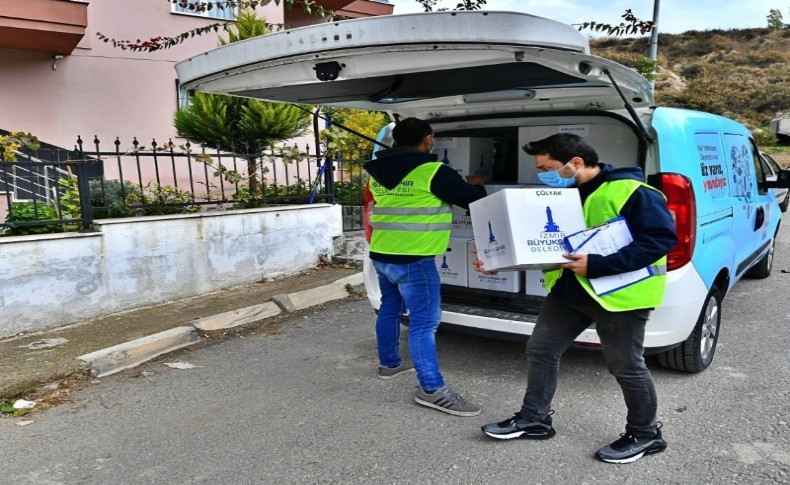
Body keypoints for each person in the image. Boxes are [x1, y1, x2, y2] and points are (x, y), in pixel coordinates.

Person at [473, 133, 677, 463]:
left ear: (576, 163)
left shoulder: (634, 192)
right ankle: (535, 419)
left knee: (625, 365)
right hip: (569, 291)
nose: (542, 174)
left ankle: (646, 434)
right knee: (541, 350)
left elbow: (660, 239)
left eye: (546, 167)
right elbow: (540, 244)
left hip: (620, 296)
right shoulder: (558, 196)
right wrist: (497, 261)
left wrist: (598, 264)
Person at [364, 117, 487, 417]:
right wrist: (477, 185)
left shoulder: (375, 172)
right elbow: (471, 200)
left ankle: (389, 364)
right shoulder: (433, 171)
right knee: (423, 324)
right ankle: (432, 389)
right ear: (428, 139)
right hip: (414, 261)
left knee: (390, 308)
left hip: (381, 254)